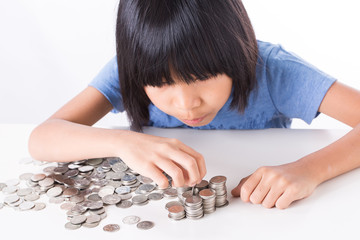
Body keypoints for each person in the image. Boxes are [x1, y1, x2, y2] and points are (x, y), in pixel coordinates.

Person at [28, 0, 360, 210]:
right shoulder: (130, 69)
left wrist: (309, 170)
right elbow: (42, 137)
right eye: (161, 83)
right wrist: (124, 142)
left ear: (236, 51)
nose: (187, 104)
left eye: (204, 75)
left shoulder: (274, 72)